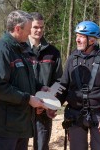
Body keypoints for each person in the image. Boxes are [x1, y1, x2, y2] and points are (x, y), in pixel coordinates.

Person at [0, 10, 49, 150]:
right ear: (17, 29)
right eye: (28, 30)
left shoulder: (21, 50)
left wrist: (40, 88)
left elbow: (25, 79)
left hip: (21, 124)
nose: (29, 34)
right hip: (5, 127)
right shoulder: (1, 51)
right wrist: (28, 99)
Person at [59, 21, 100, 150]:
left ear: (91, 40)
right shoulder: (72, 58)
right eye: (77, 36)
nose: (77, 39)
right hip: (75, 114)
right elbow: (63, 85)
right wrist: (52, 104)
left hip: (99, 115)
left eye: (81, 36)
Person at [27, 12, 63, 150]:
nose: (39, 30)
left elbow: (59, 81)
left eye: (42, 27)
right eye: (36, 27)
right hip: (23, 107)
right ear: (29, 27)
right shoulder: (20, 50)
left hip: (44, 108)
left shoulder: (53, 52)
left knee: (42, 146)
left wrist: (48, 104)